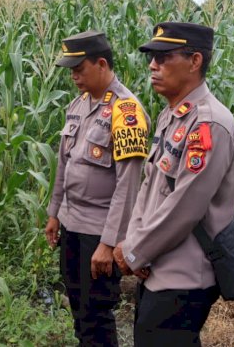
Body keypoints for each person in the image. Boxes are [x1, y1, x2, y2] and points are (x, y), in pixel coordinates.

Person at [114, 22, 234, 346]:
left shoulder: (209, 124)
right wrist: (137, 246)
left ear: (195, 61)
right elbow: (149, 186)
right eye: (151, 58)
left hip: (185, 276)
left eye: (163, 57)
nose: (152, 66)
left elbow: (184, 207)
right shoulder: (172, 116)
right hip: (157, 265)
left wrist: (134, 252)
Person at [44, 31, 150, 346]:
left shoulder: (127, 112)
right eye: (71, 71)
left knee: (97, 315)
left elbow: (128, 184)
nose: (74, 76)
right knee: (78, 310)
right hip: (71, 226)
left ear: (101, 63)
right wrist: (54, 214)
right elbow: (64, 165)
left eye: (80, 69)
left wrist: (109, 242)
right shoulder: (78, 105)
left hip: (98, 231)